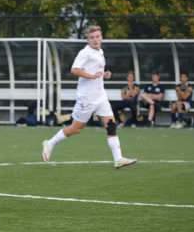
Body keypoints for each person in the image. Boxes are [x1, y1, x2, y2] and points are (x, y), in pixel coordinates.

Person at [42, 25, 136, 169]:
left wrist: (104, 75)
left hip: (101, 97)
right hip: (87, 98)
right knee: (76, 128)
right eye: (92, 38)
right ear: (88, 40)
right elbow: (74, 70)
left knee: (111, 124)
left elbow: (95, 71)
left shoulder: (100, 52)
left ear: (101, 38)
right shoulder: (85, 53)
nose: (95, 40)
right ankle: (50, 143)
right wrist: (91, 76)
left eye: (97, 37)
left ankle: (118, 159)